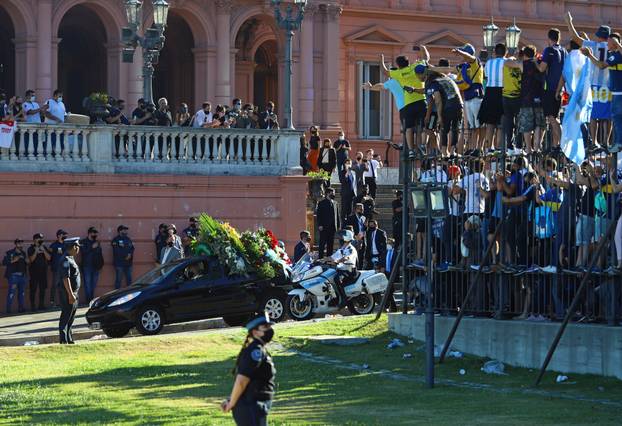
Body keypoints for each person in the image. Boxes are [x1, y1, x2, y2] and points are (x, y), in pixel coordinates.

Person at [566, 13, 612, 147]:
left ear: (598, 36)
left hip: (593, 85)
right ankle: (606, 141)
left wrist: (569, 21)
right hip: (608, 85)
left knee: (593, 115)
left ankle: (594, 141)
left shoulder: (593, 45)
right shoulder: (612, 47)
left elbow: (575, 37)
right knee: (606, 116)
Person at [222, 313, 276, 425]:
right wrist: (231, 403)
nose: (270, 329)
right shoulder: (254, 351)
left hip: (254, 406)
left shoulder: (259, 349)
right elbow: (241, 381)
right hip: (250, 406)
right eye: (265, 327)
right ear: (255, 332)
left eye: (269, 326)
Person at [381, 47, 430, 157]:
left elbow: (385, 71)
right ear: (408, 62)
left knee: (408, 128)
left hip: (408, 104)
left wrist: (381, 60)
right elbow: (426, 58)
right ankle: (422, 145)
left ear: (398, 65)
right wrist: (423, 48)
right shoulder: (415, 67)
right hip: (421, 100)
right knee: (423, 126)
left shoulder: (398, 73)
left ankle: (411, 151)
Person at [536, 28, 567, 150]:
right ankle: (555, 145)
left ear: (549, 39)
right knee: (555, 117)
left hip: (550, 89)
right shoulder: (564, 51)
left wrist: (534, 62)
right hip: (561, 88)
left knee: (551, 118)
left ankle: (562, 143)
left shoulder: (549, 50)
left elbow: (541, 69)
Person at [480, 43, 507, 151]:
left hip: (490, 92)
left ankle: (487, 148)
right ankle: (499, 147)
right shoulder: (507, 62)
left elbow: (486, 76)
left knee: (490, 123)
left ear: (495, 52)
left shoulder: (488, 63)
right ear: (506, 52)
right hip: (502, 91)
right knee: (500, 122)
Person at [58, 237, 81, 344]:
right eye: (77, 246)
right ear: (72, 247)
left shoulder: (71, 258)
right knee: (66, 316)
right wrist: (70, 294)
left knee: (71, 317)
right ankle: (63, 340)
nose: (78, 248)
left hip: (74, 293)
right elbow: (65, 278)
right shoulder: (65, 260)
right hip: (68, 293)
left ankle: (69, 339)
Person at [329, 230, 358, 307]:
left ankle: (344, 299)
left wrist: (337, 261)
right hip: (342, 270)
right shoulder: (342, 248)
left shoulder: (351, 249)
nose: (339, 239)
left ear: (346, 238)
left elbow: (347, 258)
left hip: (349, 271)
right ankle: (335, 298)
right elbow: (332, 257)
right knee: (329, 278)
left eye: (341, 237)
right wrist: (319, 260)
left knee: (336, 279)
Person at [27, 233, 51, 311]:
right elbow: (31, 260)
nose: (40, 239)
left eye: (41, 238)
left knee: (42, 289)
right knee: (33, 289)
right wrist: (36, 251)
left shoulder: (44, 247)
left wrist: (43, 250)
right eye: (39, 238)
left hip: (43, 271)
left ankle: (41, 305)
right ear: (34, 240)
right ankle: (33, 306)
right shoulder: (31, 248)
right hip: (34, 272)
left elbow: (49, 258)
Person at [3, 239, 28, 314]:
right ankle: (8, 309)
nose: (21, 245)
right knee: (11, 293)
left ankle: (21, 308)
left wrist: (26, 260)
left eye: (22, 243)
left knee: (22, 293)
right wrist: (14, 260)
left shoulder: (23, 253)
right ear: (16, 244)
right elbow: (4, 262)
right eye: (19, 243)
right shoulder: (10, 252)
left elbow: (26, 263)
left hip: (22, 276)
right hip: (13, 276)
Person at [80, 227, 104, 303]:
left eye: (96, 233)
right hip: (87, 266)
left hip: (96, 266)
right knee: (87, 284)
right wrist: (92, 247)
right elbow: (83, 252)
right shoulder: (83, 242)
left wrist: (101, 264)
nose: (95, 234)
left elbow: (100, 254)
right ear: (89, 233)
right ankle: (88, 300)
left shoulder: (97, 242)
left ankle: (91, 298)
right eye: (94, 233)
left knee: (94, 284)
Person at [316, 188, 340, 258]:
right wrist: (320, 224)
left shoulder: (335, 203)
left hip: (332, 227)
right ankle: (320, 258)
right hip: (324, 227)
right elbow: (319, 215)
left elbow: (337, 215)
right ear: (328, 193)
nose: (334, 194)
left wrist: (338, 225)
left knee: (330, 244)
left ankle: (329, 258)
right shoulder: (321, 203)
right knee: (322, 244)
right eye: (332, 193)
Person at [44, 89, 67, 156]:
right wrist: (56, 119)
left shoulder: (62, 104)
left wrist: (66, 118)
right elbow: (46, 113)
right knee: (51, 143)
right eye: (59, 96)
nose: (61, 98)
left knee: (61, 143)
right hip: (51, 128)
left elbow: (64, 114)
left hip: (60, 128)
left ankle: (59, 155)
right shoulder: (49, 102)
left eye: (61, 96)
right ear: (54, 96)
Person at [49, 229, 68, 307]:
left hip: (65, 268)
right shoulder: (54, 244)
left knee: (63, 286)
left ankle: (63, 302)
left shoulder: (66, 244)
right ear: (59, 236)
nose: (65, 236)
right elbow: (50, 250)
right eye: (63, 235)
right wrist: (55, 250)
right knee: (55, 285)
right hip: (56, 268)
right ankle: (52, 302)